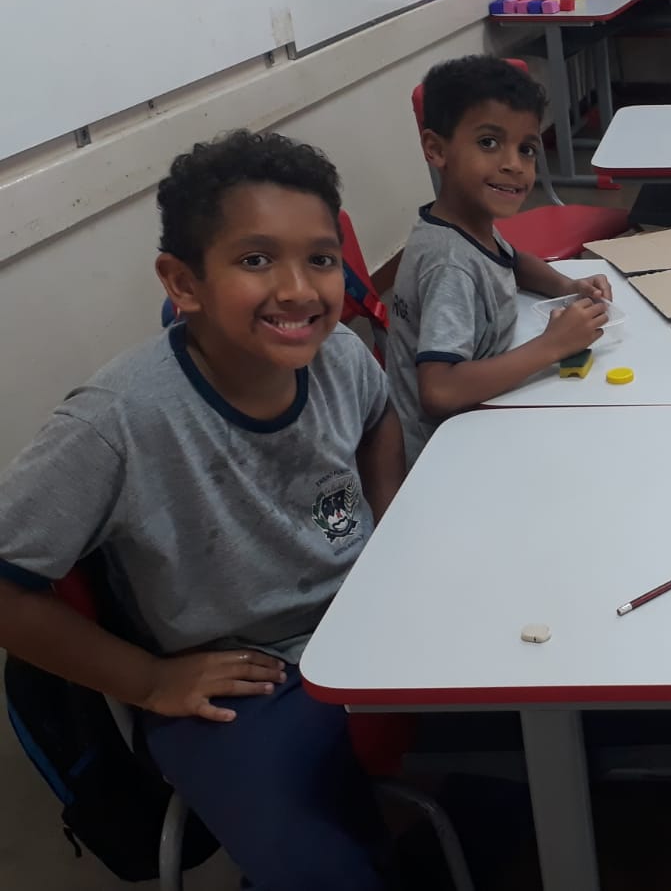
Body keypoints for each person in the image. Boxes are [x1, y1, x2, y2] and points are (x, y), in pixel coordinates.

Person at [0, 130, 407, 890]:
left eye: (320, 258)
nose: (298, 289)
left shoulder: (343, 355)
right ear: (183, 283)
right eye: (256, 260)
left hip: (367, 618)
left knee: (541, 696)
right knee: (321, 869)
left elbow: (380, 416)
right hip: (246, 681)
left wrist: (385, 531)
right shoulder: (116, 422)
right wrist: (150, 681)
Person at [388, 55, 612, 468]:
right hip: (449, 451)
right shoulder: (450, 265)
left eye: (526, 149)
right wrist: (553, 345)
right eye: (489, 142)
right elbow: (439, 390)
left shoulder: (462, 224)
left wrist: (568, 287)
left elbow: (512, 261)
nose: (514, 165)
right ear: (436, 149)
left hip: (483, 409)